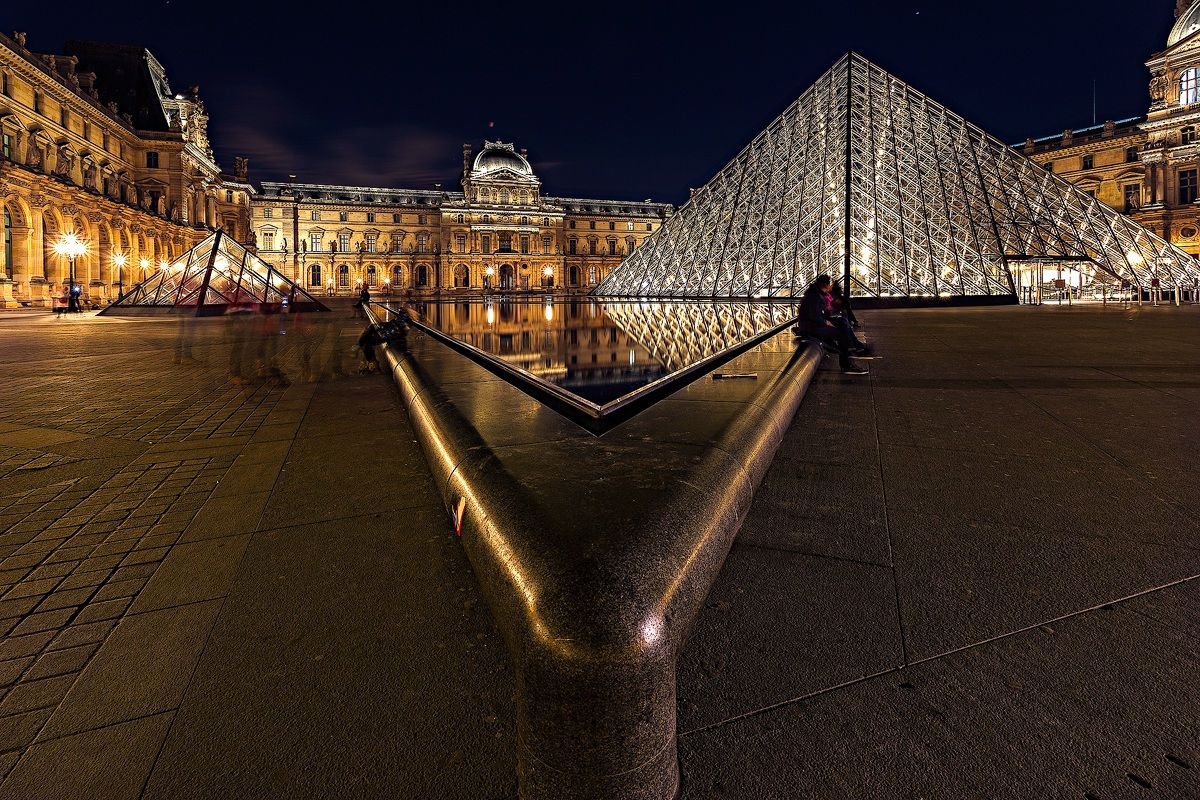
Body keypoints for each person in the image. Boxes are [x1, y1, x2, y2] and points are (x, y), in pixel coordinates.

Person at [794, 274, 869, 375]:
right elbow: (815, 316)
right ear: (826, 285)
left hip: (813, 324)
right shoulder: (815, 296)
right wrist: (827, 322)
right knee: (840, 333)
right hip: (811, 328)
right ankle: (847, 364)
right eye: (831, 284)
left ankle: (853, 347)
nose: (832, 287)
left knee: (842, 321)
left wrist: (830, 317)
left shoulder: (817, 294)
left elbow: (820, 313)